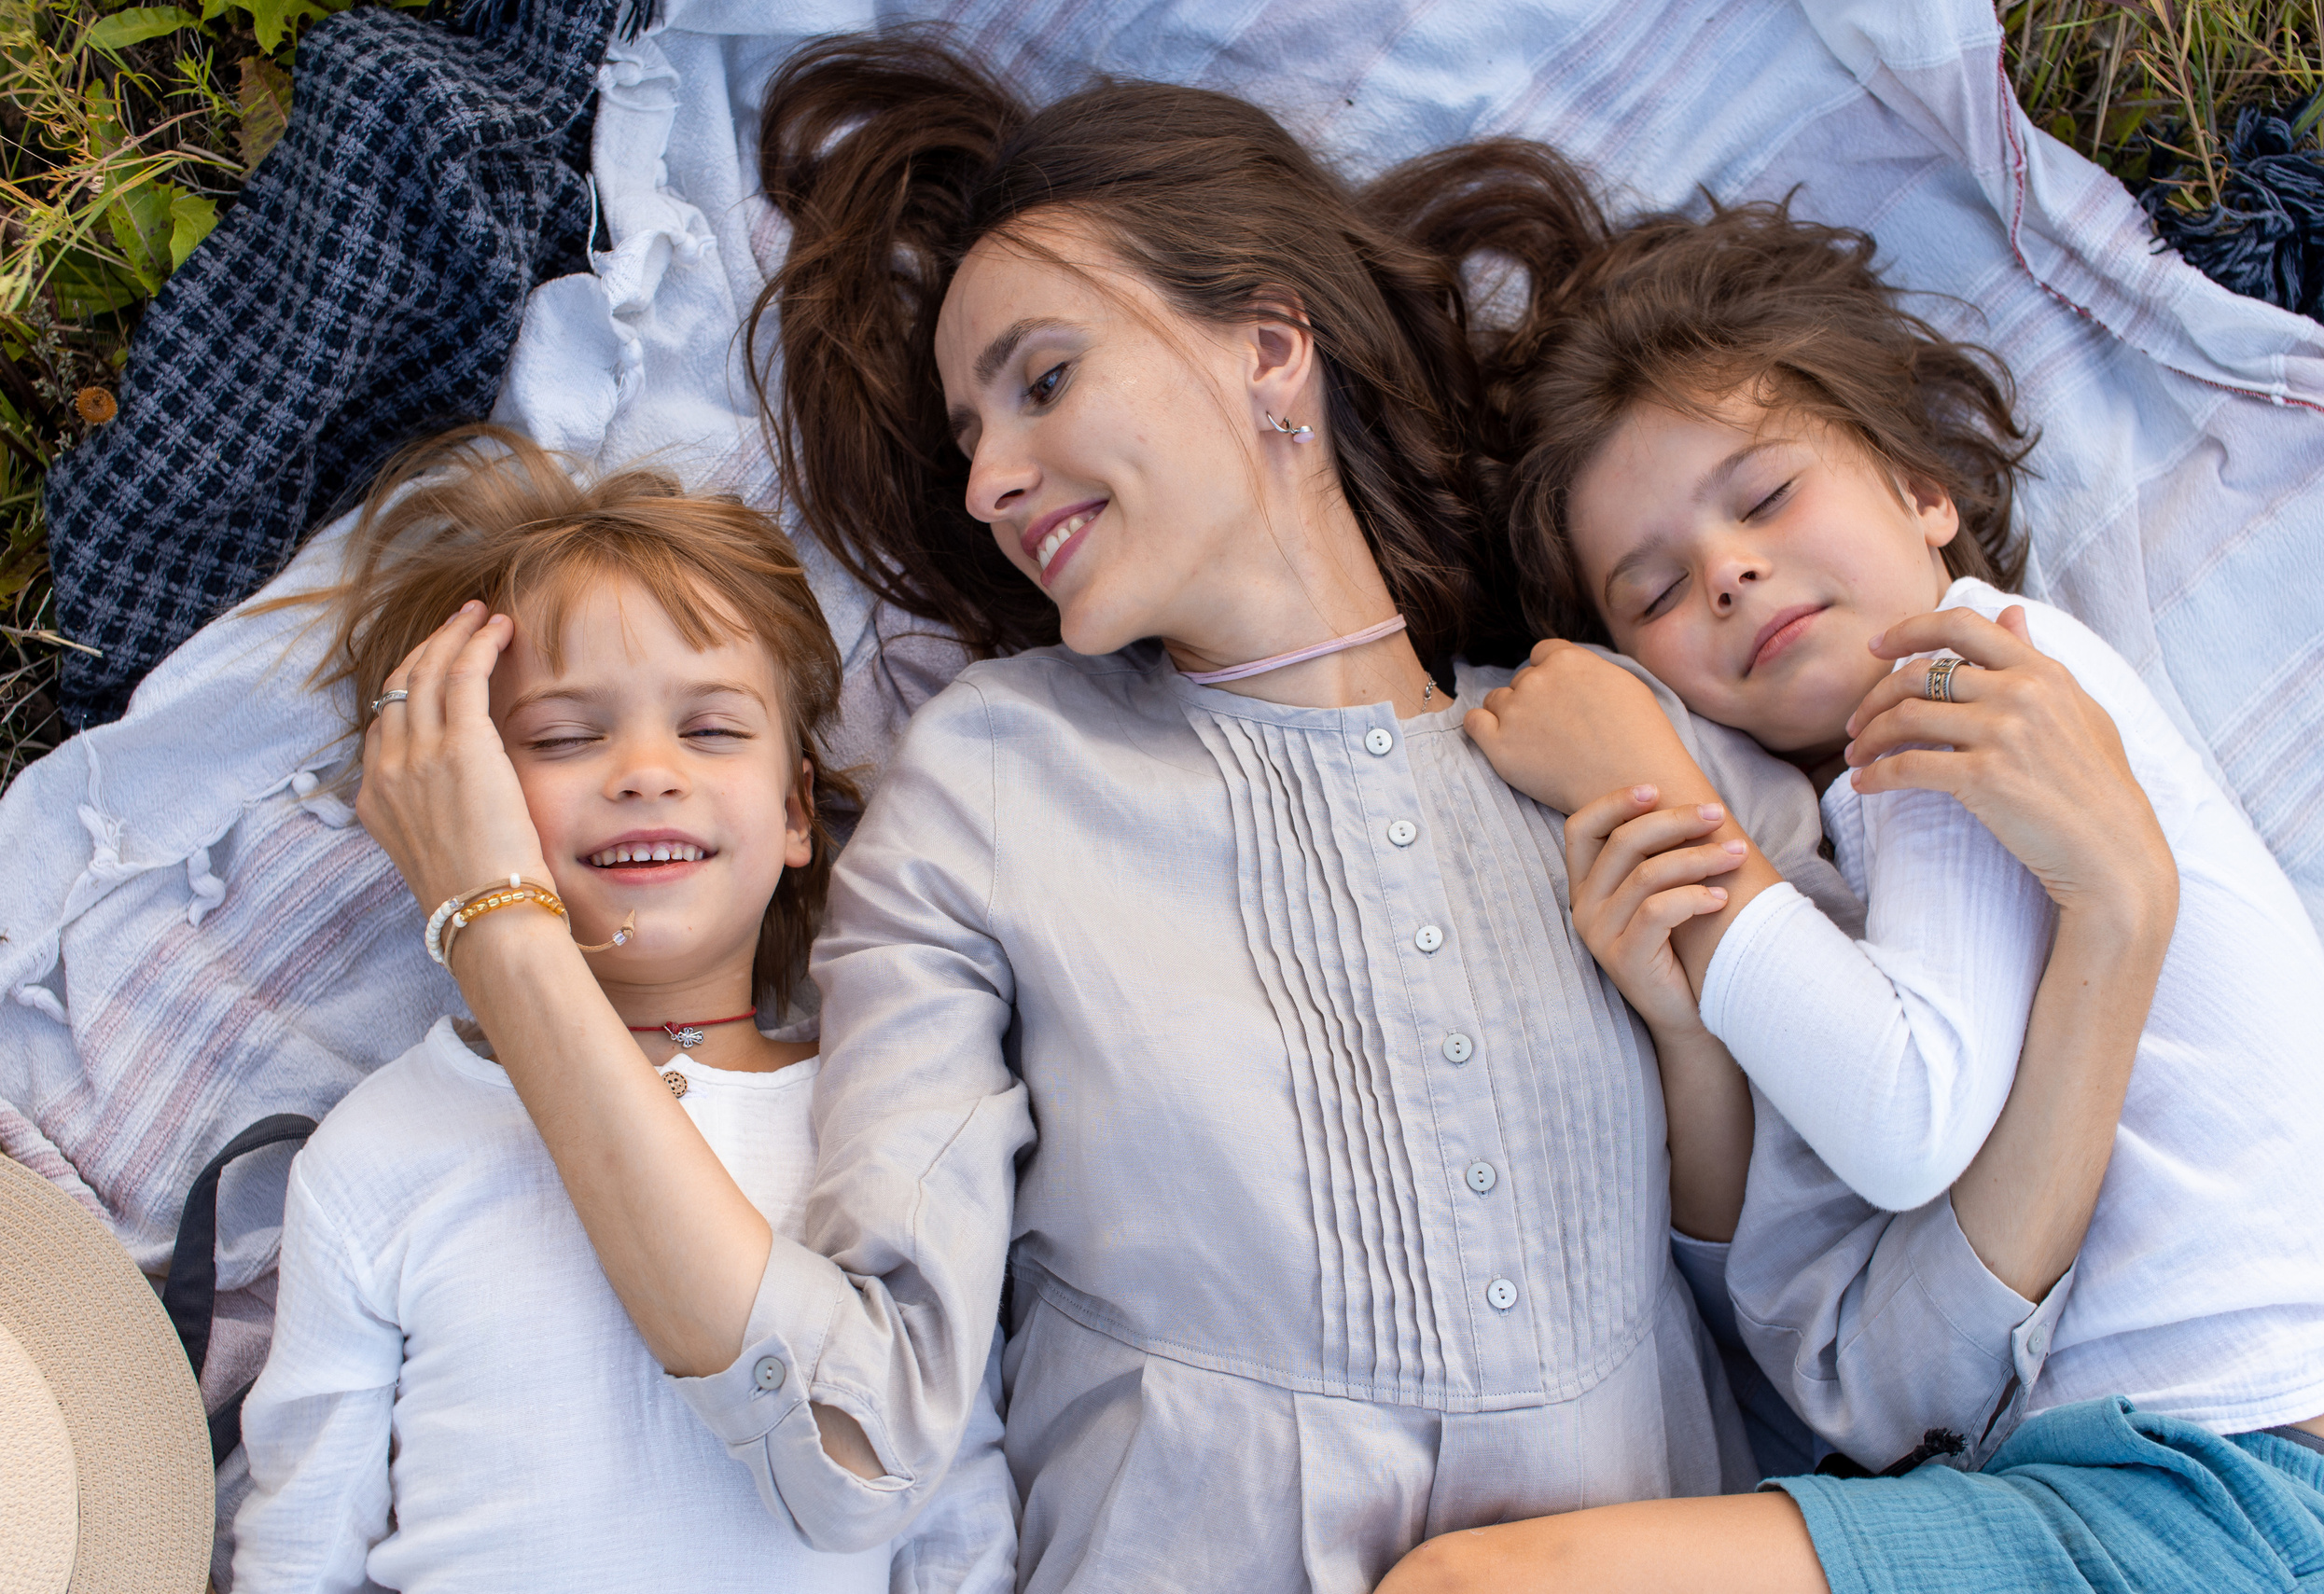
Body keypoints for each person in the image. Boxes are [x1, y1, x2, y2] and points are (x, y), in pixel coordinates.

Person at [349, 38, 2178, 1592]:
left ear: (1270, 351)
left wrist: (2108, 923)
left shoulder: (1613, 738)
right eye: (969, 427)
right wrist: (498, 927)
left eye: (1043, 377)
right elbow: (850, 1429)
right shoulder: (991, 778)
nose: (987, 479)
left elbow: (1871, 1380)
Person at [1381, 181, 2324, 1592]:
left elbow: (1911, 1120)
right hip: (2168, 1488)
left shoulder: (1968, 683)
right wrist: (1690, 1023)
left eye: (1767, 494)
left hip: (2234, 1495)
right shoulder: (1849, 831)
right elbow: (1827, 1350)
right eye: (1653, 591)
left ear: (1924, 492)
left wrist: (1653, 799)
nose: (1727, 569)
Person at [230, 427, 1014, 1594]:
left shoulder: (878, 1117)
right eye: (561, 735)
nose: (646, 768)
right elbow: (298, 1539)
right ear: (460, 799)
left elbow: (951, 1501)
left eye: (709, 727)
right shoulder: (380, 1145)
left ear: (799, 810)